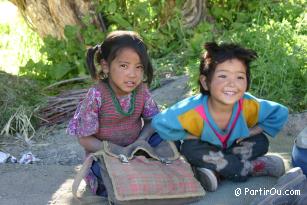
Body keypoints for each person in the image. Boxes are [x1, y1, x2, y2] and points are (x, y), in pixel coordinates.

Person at [152, 42, 289, 192]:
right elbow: (160, 123)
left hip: (234, 146)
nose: (232, 84)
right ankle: (251, 168)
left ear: (247, 82)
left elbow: (279, 113)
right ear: (205, 82)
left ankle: (217, 172)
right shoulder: (191, 110)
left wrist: (252, 131)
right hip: (206, 147)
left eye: (239, 77)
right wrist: (188, 135)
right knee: (190, 149)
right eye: (223, 76)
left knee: (261, 141)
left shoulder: (249, 104)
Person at [67, 30, 159, 196]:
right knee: (103, 174)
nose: (132, 74)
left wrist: (141, 140)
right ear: (105, 66)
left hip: (135, 148)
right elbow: (85, 138)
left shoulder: (142, 91)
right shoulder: (97, 95)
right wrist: (115, 151)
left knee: (167, 135)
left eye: (139, 67)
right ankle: (127, 181)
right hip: (105, 154)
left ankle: (143, 172)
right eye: (124, 66)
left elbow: (152, 121)